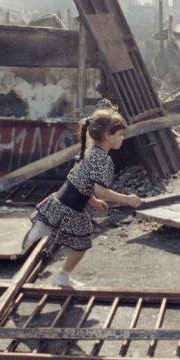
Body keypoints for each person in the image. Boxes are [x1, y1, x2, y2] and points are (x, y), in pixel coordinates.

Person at [22, 108, 142, 288]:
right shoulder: (104, 160)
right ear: (108, 136)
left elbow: (81, 182)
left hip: (59, 200)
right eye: (119, 134)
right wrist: (127, 199)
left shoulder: (90, 151)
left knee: (63, 235)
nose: (122, 138)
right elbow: (100, 190)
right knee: (82, 245)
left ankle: (42, 228)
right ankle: (63, 277)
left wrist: (94, 202)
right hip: (73, 209)